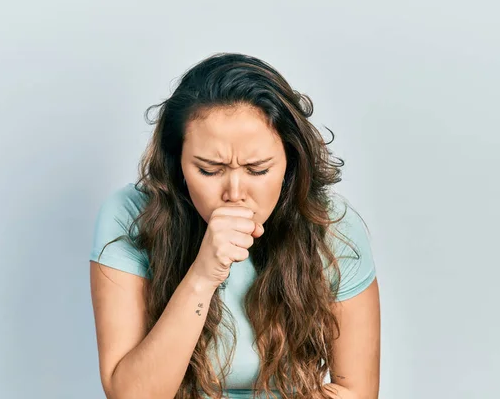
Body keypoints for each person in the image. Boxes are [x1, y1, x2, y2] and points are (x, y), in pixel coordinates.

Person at [89, 52, 380, 399]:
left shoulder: (333, 225)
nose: (235, 194)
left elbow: (356, 392)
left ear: (290, 162)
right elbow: (131, 396)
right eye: (210, 170)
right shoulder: (130, 215)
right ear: (177, 163)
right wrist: (203, 275)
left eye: (258, 169)